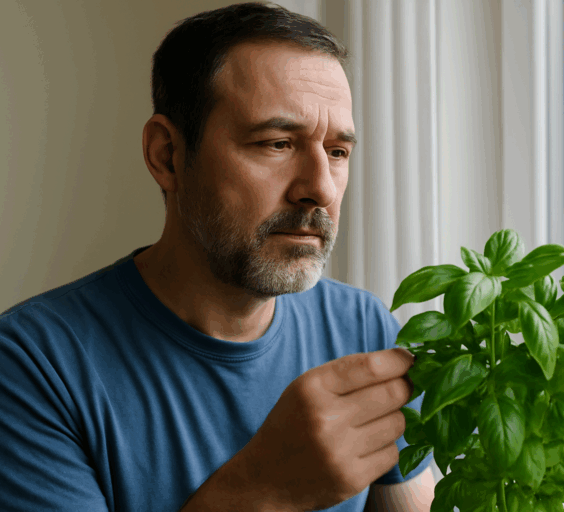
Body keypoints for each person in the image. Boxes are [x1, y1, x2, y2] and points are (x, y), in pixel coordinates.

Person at [0, 2, 435, 511]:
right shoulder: (31, 367)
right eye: (276, 143)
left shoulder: (362, 331)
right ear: (167, 155)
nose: (319, 188)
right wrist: (265, 490)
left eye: (338, 152)